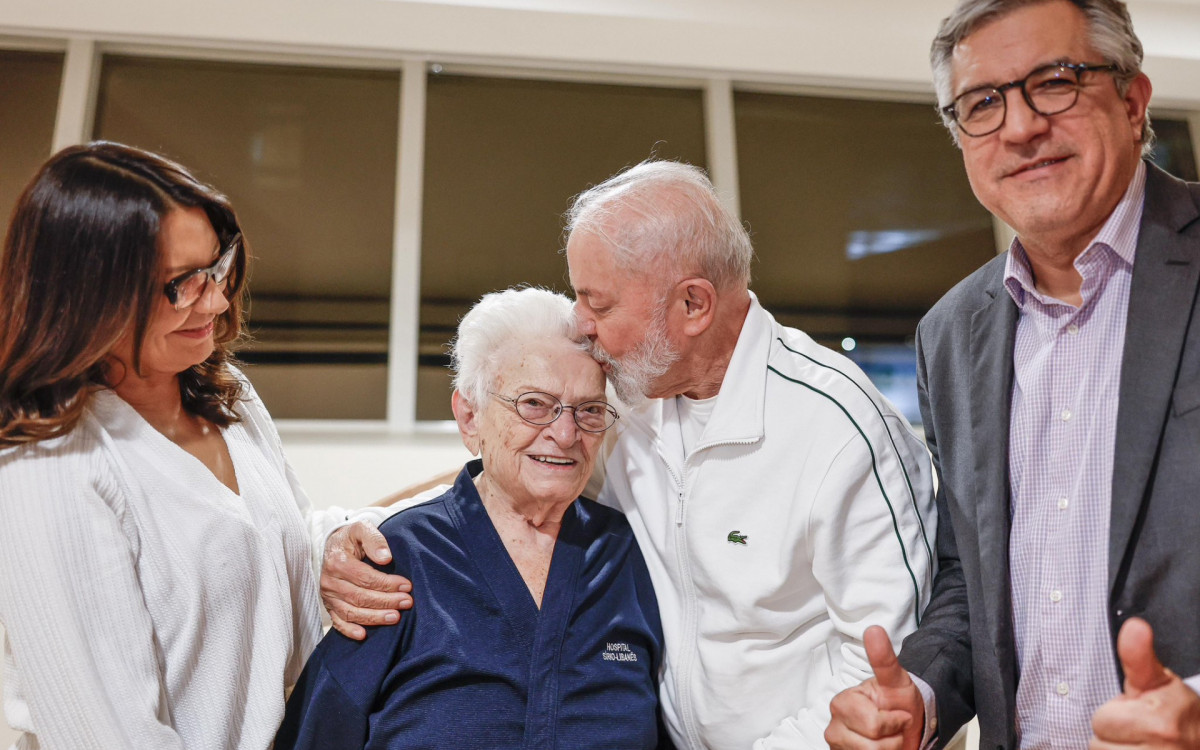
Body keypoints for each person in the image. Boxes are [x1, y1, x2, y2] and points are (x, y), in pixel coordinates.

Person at [321, 161, 937, 748]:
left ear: (693, 305)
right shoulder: (632, 396)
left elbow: (886, 670)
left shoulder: (839, 429)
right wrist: (366, 530)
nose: (579, 323)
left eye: (600, 303)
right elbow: (516, 468)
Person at [824, 1, 1200, 749]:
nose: (1021, 127)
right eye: (982, 103)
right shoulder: (949, 333)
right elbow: (971, 584)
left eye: (1055, 81)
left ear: (1132, 101)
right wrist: (921, 697)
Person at [0, 142, 376, 748]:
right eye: (182, 284)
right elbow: (104, 735)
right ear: (89, 296)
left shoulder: (226, 396)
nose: (218, 301)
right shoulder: (52, 462)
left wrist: (336, 541)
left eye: (217, 268)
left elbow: (267, 548)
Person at [274, 287, 668, 749]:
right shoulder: (401, 557)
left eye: (589, 410)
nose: (564, 434)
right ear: (469, 418)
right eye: (534, 404)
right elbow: (317, 734)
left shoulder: (628, 553)